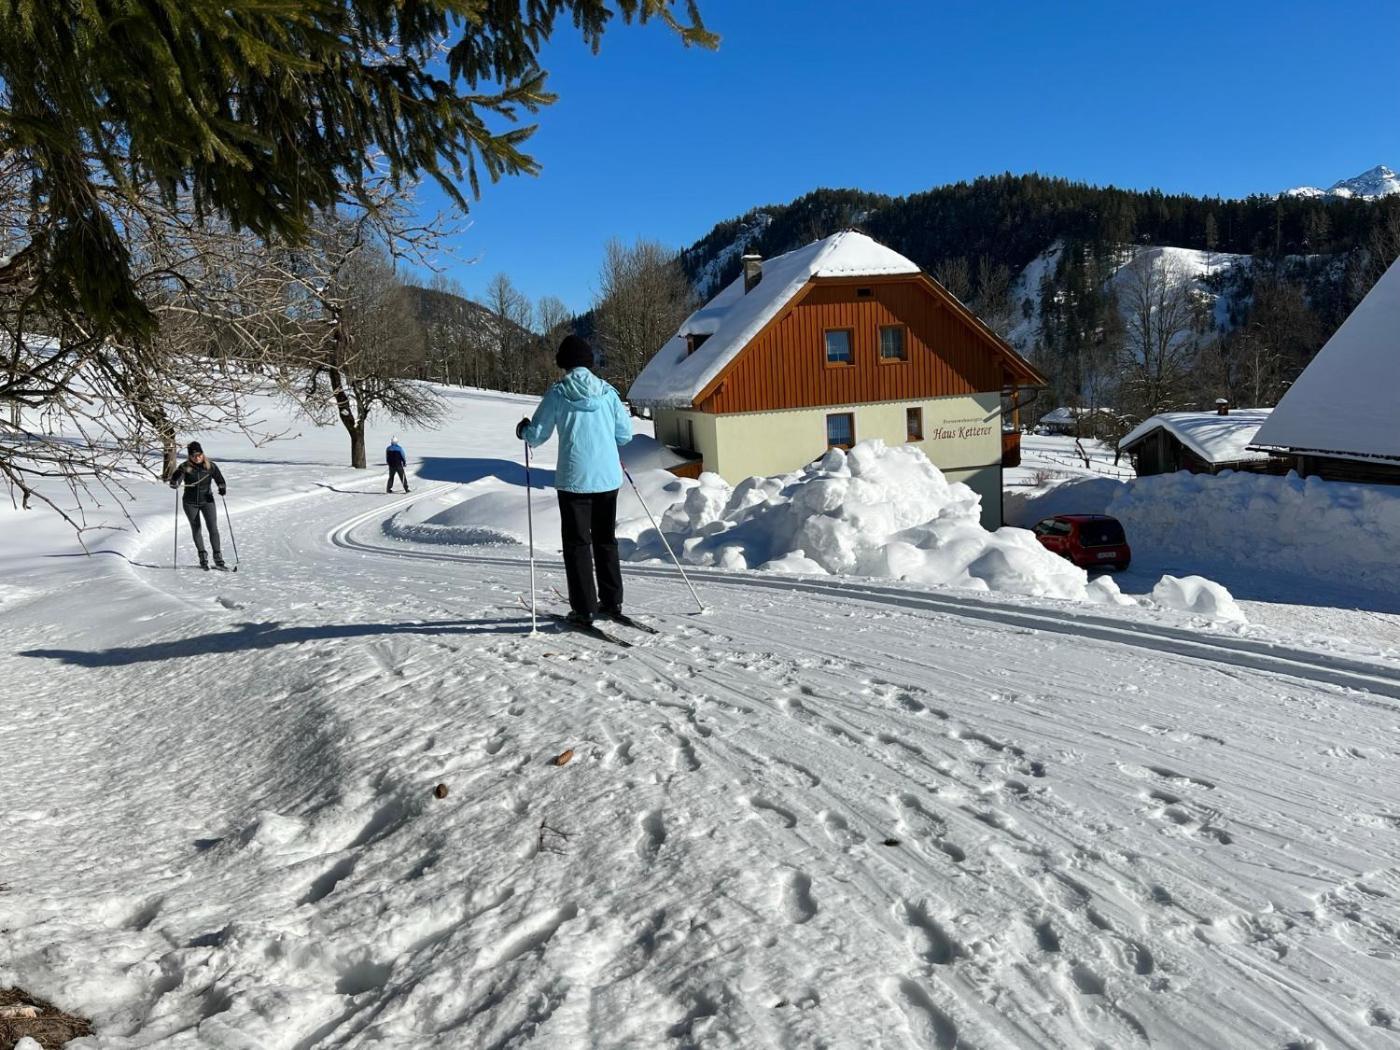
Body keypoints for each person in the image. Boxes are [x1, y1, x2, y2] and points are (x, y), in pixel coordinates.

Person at [518, 334, 633, 626]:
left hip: (574, 480)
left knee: (577, 544)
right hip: (608, 478)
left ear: (564, 363)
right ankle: (612, 601)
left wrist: (523, 430)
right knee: (606, 540)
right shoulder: (608, 392)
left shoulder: (558, 393)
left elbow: (537, 435)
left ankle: (585, 608)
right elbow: (625, 435)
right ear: (589, 362)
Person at [169, 441, 228, 570]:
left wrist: (222, 487)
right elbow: (175, 483)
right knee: (196, 529)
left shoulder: (210, 466)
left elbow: (220, 479)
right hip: (190, 503)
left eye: (199, 455)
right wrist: (175, 480)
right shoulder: (185, 467)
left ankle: (218, 558)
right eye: (193, 455)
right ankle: (202, 556)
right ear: (189, 456)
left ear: (202, 454)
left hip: (207, 501)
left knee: (213, 528)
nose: (197, 458)